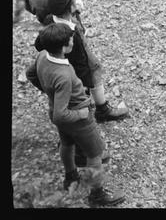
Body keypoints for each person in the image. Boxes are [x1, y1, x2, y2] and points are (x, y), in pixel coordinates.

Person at [25, 23, 125, 206]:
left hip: (59, 111)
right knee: (95, 155)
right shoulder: (63, 74)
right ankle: (97, 195)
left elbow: (30, 74)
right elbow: (60, 115)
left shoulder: (42, 55)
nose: (73, 41)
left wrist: (50, 92)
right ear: (65, 46)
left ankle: (71, 176)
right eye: (70, 39)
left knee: (66, 144)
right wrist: (80, 113)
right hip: (78, 120)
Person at [34, 0, 129, 126]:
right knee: (93, 73)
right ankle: (99, 111)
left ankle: (98, 108)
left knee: (91, 72)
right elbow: (81, 61)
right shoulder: (72, 37)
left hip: (65, 60)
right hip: (78, 68)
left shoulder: (49, 20)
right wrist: (86, 82)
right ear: (70, 8)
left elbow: (38, 44)